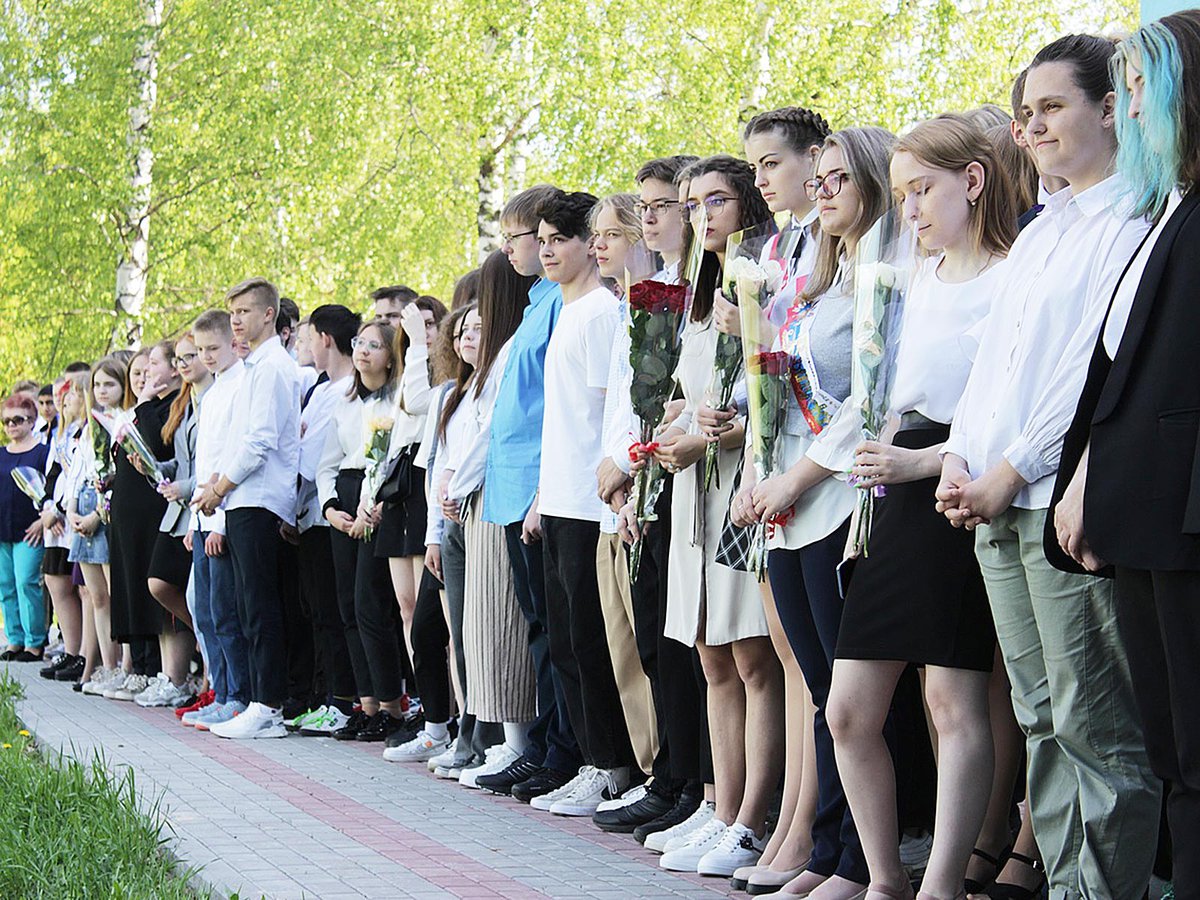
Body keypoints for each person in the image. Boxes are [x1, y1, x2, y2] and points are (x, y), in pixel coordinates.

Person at [936, 34, 1161, 900]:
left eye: (1052, 107)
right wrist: (962, 454)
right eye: (1024, 114)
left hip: (1056, 498)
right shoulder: (1041, 232)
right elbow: (996, 361)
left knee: (1095, 724)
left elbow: (1088, 367)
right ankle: (1064, 884)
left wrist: (1013, 466)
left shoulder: (1135, 218)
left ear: (1111, 109)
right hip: (994, 498)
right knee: (1039, 719)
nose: (1032, 127)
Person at [822, 114, 1019, 900]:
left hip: (954, 489)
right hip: (895, 494)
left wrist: (920, 461)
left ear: (972, 181)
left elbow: (1005, 417)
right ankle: (882, 879)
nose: (909, 210)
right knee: (847, 711)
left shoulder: (1010, 277)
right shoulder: (912, 281)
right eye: (901, 195)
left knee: (952, 701)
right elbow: (881, 395)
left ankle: (939, 884)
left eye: (923, 190)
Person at [1051, 10, 1200, 892]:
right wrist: (1090, 489)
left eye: (1143, 89)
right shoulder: (1165, 213)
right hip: (1144, 519)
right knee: (1171, 746)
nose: (1130, 108)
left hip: (1183, 521)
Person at [728, 126, 897, 900]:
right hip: (790, 500)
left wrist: (791, 478)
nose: (822, 193)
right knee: (824, 691)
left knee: (847, 697)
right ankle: (827, 850)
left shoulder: (888, 277)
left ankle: (858, 861)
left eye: (836, 180)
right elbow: (779, 390)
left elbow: (871, 397)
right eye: (818, 180)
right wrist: (763, 474)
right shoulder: (822, 279)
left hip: (838, 498)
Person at [640, 155, 782, 878]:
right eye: (694, 204)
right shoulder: (702, 288)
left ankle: (755, 818)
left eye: (716, 200)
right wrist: (673, 421)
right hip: (695, 487)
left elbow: (772, 387)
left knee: (754, 658)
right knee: (709, 653)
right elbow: (696, 388)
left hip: (741, 484)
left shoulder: (763, 277)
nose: (703, 215)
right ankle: (722, 809)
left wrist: (705, 433)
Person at [718, 106, 831, 894]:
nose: (762, 180)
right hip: (773, 461)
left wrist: (758, 327)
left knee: (816, 667)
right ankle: (794, 823)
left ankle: (812, 833)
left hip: (819, 470)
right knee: (792, 653)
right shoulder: (777, 245)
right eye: (752, 166)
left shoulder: (826, 238)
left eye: (771, 164)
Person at [445, 185, 581, 803]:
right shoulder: (534, 304)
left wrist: (537, 493)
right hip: (509, 484)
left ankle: (567, 754)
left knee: (557, 630)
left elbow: (554, 407)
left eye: (521, 237)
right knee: (538, 628)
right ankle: (550, 751)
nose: (517, 249)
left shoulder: (564, 303)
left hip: (538, 485)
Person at [525, 189, 636, 817]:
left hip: (591, 500)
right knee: (566, 638)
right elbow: (559, 421)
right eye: (540, 241)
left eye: (557, 239)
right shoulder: (568, 311)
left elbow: (608, 414)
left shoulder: (600, 312)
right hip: (561, 496)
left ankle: (612, 763)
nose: (548, 251)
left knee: (592, 640)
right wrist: (543, 496)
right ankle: (593, 758)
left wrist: (609, 487)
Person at [195, 277, 301, 740]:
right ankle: (261, 700)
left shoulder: (274, 366)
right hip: (243, 498)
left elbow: (259, 442)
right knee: (247, 603)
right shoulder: (255, 367)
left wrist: (219, 487)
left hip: (257, 498)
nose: (236, 320)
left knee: (259, 607)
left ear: (268, 315)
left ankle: (268, 705)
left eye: (244, 312)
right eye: (232, 312)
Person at [587, 192, 660, 788]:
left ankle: (664, 773)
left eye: (612, 233)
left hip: (640, 491)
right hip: (613, 498)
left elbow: (655, 409)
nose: (598, 246)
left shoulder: (657, 306)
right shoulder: (622, 308)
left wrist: (626, 472)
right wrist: (610, 480)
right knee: (622, 650)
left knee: (652, 652)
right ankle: (646, 770)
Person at [389, 304, 479, 763]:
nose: (467, 338)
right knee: (426, 629)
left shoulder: (486, 389)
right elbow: (433, 470)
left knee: (463, 634)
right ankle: (439, 726)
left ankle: (470, 732)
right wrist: (431, 536)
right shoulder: (447, 393)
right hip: (440, 528)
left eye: (477, 330)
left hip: (471, 521)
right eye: (461, 331)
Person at [316, 319, 411, 746]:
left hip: (379, 503)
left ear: (391, 355)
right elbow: (327, 464)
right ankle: (367, 703)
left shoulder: (399, 402)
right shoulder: (346, 402)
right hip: (346, 500)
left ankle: (392, 704)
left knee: (372, 604)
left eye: (375, 345)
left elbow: (394, 460)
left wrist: (371, 508)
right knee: (348, 608)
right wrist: (331, 509)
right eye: (359, 343)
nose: (363, 351)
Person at [285, 304, 361, 737]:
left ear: (326, 339)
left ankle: (342, 700)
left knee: (332, 612)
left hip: (326, 514)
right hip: (309, 515)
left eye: (310, 337)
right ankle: (327, 695)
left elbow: (310, 457)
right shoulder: (322, 389)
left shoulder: (346, 390)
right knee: (318, 611)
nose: (306, 346)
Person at [180, 311, 252, 730]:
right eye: (201, 349)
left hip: (222, 514)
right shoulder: (213, 390)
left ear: (232, 343)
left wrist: (220, 522)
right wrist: (194, 521)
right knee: (205, 612)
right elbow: (204, 460)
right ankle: (221, 691)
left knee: (225, 612)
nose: (206, 357)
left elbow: (230, 459)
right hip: (202, 517)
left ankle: (237, 695)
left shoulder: (242, 384)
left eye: (212, 348)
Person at [136, 333, 212, 709]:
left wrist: (183, 486)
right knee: (163, 586)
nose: (184, 364)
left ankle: (209, 676)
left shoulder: (211, 397)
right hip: (178, 509)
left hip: (200, 506)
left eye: (190, 356)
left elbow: (213, 463)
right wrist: (157, 470)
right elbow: (178, 455)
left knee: (202, 599)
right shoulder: (187, 400)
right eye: (179, 358)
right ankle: (202, 641)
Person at [106, 340, 186, 702]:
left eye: (153, 364)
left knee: (154, 589)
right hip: (128, 511)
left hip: (158, 512)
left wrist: (143, 405)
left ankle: (160, 670)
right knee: (130, 586)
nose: (147, 373)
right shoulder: (146, 406)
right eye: (141, 368)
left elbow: (158, 442)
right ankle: (141, 666)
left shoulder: (168, 405)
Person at [375, 296, 441, 680]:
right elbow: (398, 436)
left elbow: (419, 403)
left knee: (430, 607)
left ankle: (444, 707)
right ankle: (424, 697)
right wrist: (378, 494)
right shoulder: (407, 370)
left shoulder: (446, 369)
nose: (423, 331)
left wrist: (418, 344)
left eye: (431, 323)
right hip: (401, 484)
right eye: (418, 324)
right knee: (406, 604)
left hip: (425, 481)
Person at [70, 358, 126, 695]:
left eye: (109, 384)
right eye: (98, 385)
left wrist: (97, 514)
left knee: (116, 593)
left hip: (108, 509)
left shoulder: (121, 422)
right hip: (86, 502)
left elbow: (118, 476)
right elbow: (79, 470)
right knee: (96, 596)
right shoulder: (90, 425)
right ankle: (105, 665)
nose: (102, 391)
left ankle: (123, 664)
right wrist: (74, 510)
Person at [38, 377, 86, 682]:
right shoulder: (61, 433)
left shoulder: (86, 431)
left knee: (82, 588)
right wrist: (47, 506)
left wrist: (59, 508)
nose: (61, 401)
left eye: (68, 396)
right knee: (55, 582)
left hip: (74, 518)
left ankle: (83, 654)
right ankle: (70, 650)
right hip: (55, 521)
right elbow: (52, 474)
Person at [0, 394, 48, 661]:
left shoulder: (41, 452)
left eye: (17, 420)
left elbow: (51, 491)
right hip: (2, 529)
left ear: (31, 420)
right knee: (5, 585)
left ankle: (34, 641)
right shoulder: (1, 454)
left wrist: (43, 521)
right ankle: (14, 639)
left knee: (26, 582)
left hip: (30, 530)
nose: (11, 426)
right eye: (6, 421)